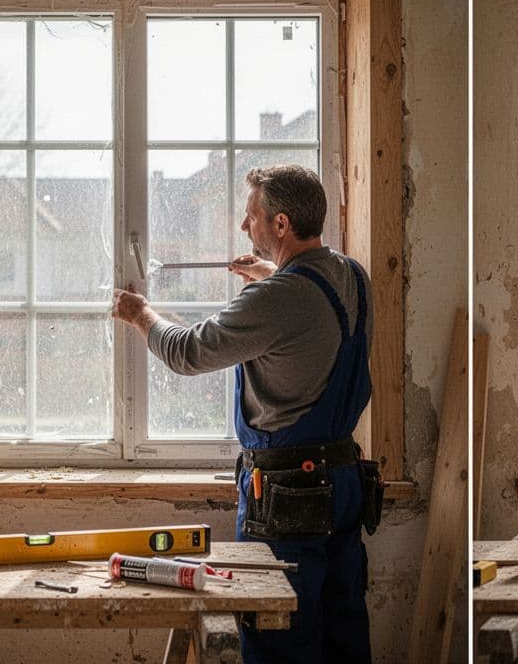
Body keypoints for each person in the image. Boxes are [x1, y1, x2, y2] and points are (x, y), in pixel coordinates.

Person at [111, 164, 378, 664]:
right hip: (343, 483)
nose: (243, 226)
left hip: (287, 495)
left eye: (250, 214)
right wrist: (271, 273)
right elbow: (310, 313)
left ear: (280, 225)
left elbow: (188, 352)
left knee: (279, 637)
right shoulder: (352, 276)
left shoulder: (276, 298)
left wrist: (140, 314)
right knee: (342, 630)